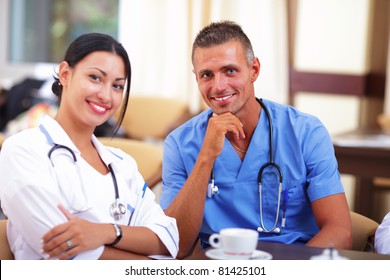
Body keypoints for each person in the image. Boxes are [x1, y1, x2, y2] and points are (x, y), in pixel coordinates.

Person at [160, 20, 351, 258]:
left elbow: (339, 231)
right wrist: (206, 157)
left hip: (296, 264)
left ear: (254, 70)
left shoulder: (306, 132)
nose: (218, 86)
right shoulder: (179, 144)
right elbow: (176, 246)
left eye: (230, 70)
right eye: (207, 75)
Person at [0, 33, 178, 260]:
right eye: (95, 77)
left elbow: (167, 240)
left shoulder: (123, 164)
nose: (106, 95)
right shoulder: (23, 151)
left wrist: (106, 232)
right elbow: (67, 254)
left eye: (117, 85)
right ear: (65, 74)